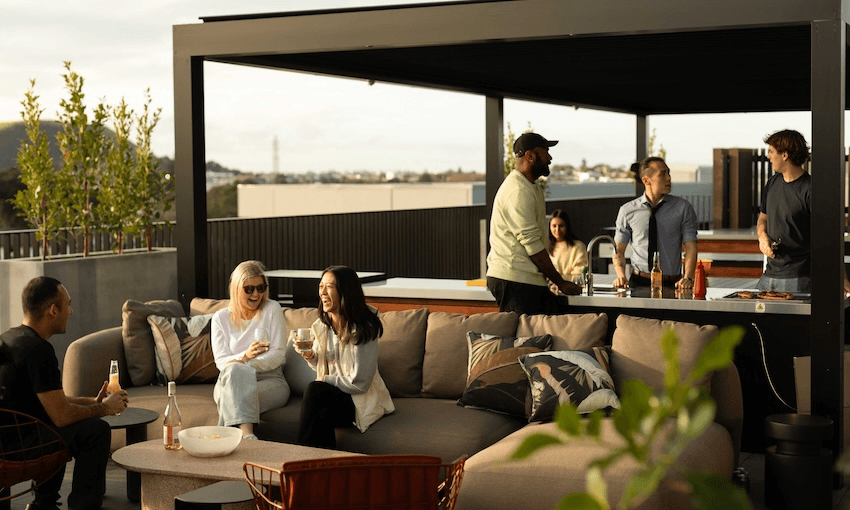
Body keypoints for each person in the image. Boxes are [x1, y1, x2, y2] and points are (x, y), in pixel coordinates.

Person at [0, 276, 127, 510]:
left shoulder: (10, 337)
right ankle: (82, 506)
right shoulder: (40, 350)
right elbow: (61, 415)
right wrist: (105, 408)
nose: (71, 311)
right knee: (95, 431)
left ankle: (44, 504)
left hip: (7, 439)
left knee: (65, 425)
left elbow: (46, 401)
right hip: (20, 449)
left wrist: (91, 402)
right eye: (67, 305)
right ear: (53, 310)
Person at [296, 265, 394, 448]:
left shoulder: (365, 328)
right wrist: (309, 354)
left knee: (315, 391)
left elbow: (361, 383)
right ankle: (321, 469)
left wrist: (324, 379)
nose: (323, 293)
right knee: (321, 414)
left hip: (358, 399)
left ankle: (299, 461)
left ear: (346, 292)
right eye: (320, 286)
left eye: (330, 287)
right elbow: (320, 365)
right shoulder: (321, 325)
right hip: (332, 397)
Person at [486, 132, 580, 315]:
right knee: (524, 341)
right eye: (545, 151)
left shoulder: (529, 187)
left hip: (524, 279)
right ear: (530, 156)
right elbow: (532, 245)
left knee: (539, 337)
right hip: (515, 279)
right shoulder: (518, 191)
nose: (550, 157)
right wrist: (560, 282)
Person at [211, 260, 289, 441]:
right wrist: (245, 356)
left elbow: (278, 355)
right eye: (249, 289)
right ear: (236, 289)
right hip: (228, 380)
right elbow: (221, 363)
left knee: (229, 394)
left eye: (261, 288)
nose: (256, 294)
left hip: (271, 379)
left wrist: (244, 364)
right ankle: (247, 436)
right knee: (233, 375)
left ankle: (224, 439)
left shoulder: (272, 309)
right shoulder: (220, 318)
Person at [612, 157, 698, 290]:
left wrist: (688, 277)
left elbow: (691, 247)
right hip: (638, 282)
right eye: (663, 174)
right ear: (646, 180)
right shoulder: (627, 211)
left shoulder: (683, 208)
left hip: (673, 284)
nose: (669, 178)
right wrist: (621, 276)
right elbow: (618, 249)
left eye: (668, 173)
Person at [757, 129, 811, 292]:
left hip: (799, 278)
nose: (769, 156)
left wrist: (841, 278)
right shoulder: (772, 183)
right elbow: (763, 218)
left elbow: (829, 235)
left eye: (771, 151)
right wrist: (762, 237)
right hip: (768, 276)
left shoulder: (810, 189)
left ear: (785, 155)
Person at [547, 210, 588, 292]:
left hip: (571, 290)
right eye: (554, 226)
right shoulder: (547, 246)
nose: (557, 229)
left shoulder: (578, 246)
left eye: (561, 226)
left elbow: (579, 275)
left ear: (567, 227)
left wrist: (560, 279)